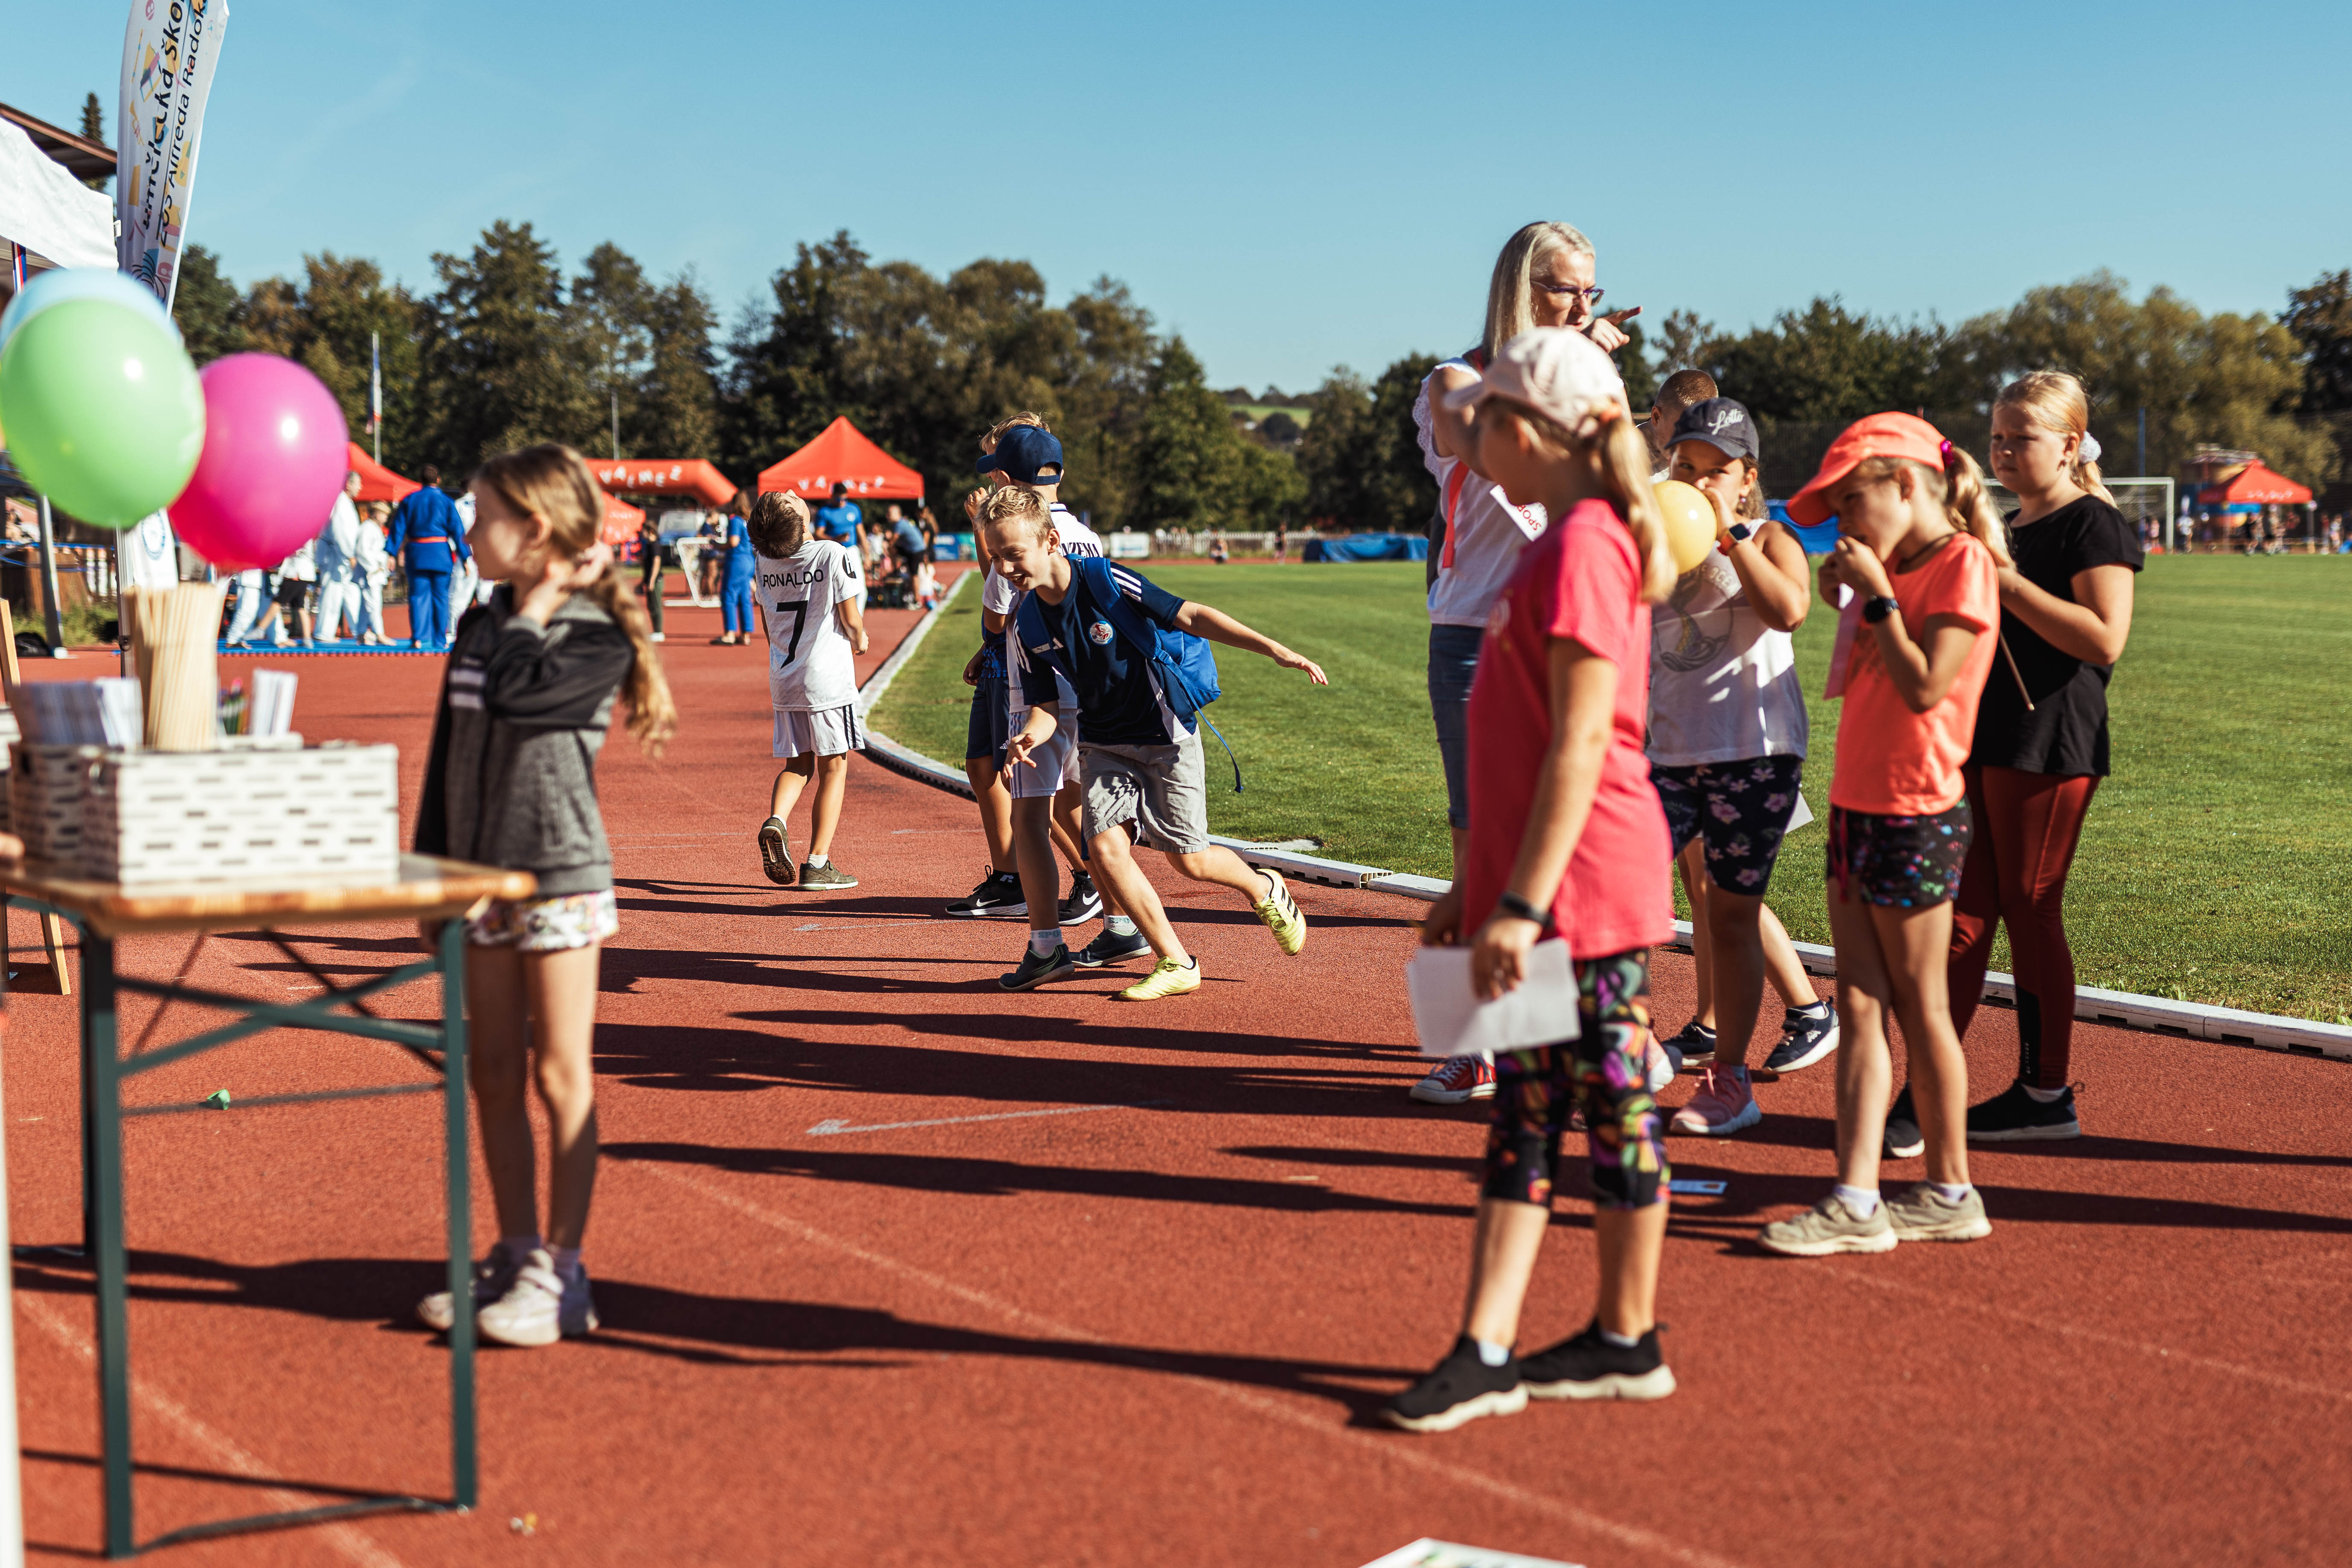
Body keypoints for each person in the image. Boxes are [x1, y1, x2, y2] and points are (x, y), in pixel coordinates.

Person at [1381, 327, 1677, 1433]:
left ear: (1532, 431)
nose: (1473, 432)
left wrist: (1516, 900)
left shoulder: (1587, 546)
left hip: (1584, 890)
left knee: (1608, 1110)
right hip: (1546, 885)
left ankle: (1623, 1337)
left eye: (1491, 415)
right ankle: (1491, 1346)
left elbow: (1583, 743)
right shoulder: (1557, 547)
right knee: (1527, 1114)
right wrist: (1476, 890)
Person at [410, 441, 674, 1345]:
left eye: (481, 517)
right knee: (490, 1070)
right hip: (478, 878)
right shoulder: (482, 621)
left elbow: (524, 698)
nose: (466, 531)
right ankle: (516, 1250)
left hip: (558, 876)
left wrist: (537, 605)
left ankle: (562, 1273)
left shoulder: (593, 631)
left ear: (532, 530)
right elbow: (449, 747)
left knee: (559, 1073)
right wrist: (434, 872)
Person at [1407, 219, 1642, 1107]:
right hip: (1477, 631)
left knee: (1583, 829)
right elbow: (1481, 447)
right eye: (1563, 288)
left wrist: (1583, 374)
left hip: (1574, 621)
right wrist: (1560, 369)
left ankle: (1582, 1035)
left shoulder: (1586, 379)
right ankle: (1486, 1044)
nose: (1581, 305)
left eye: (1590, 290)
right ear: (1520, 288)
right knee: (1482, 834)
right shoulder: (1454, 379)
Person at [1758, 413, 2005, 1257]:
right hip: (1858, 804)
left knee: (1921, 1006)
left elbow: (1928, 686)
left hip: (1915, 809)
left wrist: (1877, 598)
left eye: (1850, 502)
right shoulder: (1890, 568)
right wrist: (1860, 592)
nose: (1842, 523)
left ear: (1904, 483)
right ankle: (1855, 1197)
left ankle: (1950, 1188)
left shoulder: (1961, 562)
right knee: (1860, 1004)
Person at [1903, 373, 2139, 1149]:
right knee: (1964, 914)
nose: (2003, 452)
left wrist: (2000, 580)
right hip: (1984, 734)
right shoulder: (2004, 524)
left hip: (2049, 739)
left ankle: (2044, 1092)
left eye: (2021, 438)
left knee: (2029, 907)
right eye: (1996, 438)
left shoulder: (2091, 523)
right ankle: (1923, 1090)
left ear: (2069, 446)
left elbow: (2104, 637)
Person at [992, 491, 1327, 1001]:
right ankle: (1176, 961)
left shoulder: (1104, 578)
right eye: (996, 556)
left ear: (1051, 541)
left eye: (1014, 554)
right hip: (1102, 742)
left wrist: (1274, 649)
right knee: (1104, 849)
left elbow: (1189, 615)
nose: (1004, 568)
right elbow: (1045, 706)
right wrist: (1029, 736)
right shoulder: (1026, 624)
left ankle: (1264, 887)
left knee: (1189, 860)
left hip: (1165, 735)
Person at [1641, 398, 1828, 1137]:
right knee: (1623, 896)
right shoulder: (1659, 540)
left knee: (1728, 914)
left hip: (1753, 753)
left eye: (1715, 471)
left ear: (1746, 478)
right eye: (1684, 466)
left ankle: (1729, 1078)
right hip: (1666, 751)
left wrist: (1731, 536)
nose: (1696, 481)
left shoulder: (1772, 537)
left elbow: (1788, 610)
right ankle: (1621, 1047)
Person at [750, 490, 868, 891]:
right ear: (801, 523)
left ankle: (777, 820)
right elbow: (851, 618)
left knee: (797, 765)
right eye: (792, 499)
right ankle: (818, 863)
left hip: (784, 676)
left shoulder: (764, 559)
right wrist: (861, 639)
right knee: (834, 768)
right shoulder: (832, 553)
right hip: (826, 679)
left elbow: (768, 624)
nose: (795, 494)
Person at [386, 465, 473, 652]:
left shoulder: (410, 500)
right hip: (440, 553)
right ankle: (440, 640)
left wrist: (391, 553)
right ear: (438, 480)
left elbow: (398, 528)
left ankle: (418, 638)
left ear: (421, 480)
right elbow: (458, 531)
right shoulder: (446, 501)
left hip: (417, 553)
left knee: (417, 596)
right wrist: (465, 557)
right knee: (441, 597)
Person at [315, 472, 364, 643]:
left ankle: (360, 629)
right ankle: (324, 633)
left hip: (342, 556)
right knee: (332, 594)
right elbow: (341, 533)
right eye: (358, 484)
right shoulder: (340, 503)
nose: (361, 488)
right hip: (336, 556)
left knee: (351, 593)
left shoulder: (346, 503)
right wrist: (350, 555)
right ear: (349, 484)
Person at [716, 494, 757, 646]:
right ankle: (746, 635)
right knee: (745, 598)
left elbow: (733, 542)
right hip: (749, 560)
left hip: (737, 561)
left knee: (729, 595)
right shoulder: (748, 521)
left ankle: (730, 633)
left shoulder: (735, 521)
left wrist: (719, 546)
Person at [357, 502, 392, 645]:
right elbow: (362, 551)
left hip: (375, 572)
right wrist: (373, 568)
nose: (386, 518)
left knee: (366, 605)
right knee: (374, 604)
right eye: (385, 515)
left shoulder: (374, 528)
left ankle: (361, 633)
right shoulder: (367, 529)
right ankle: (379, 634)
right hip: (371, 573)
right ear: (377, 514)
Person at [637, 510, 667, 642]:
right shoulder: (648, 545)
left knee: (656, 606)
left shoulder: (655, 545)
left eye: (644, 531)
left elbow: (656, 563)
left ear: (650, 531)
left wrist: (652, 580)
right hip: (650, 579)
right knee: (651, 606)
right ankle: (656, 631)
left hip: (656, 580)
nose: (642, 533)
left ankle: (659, 631)